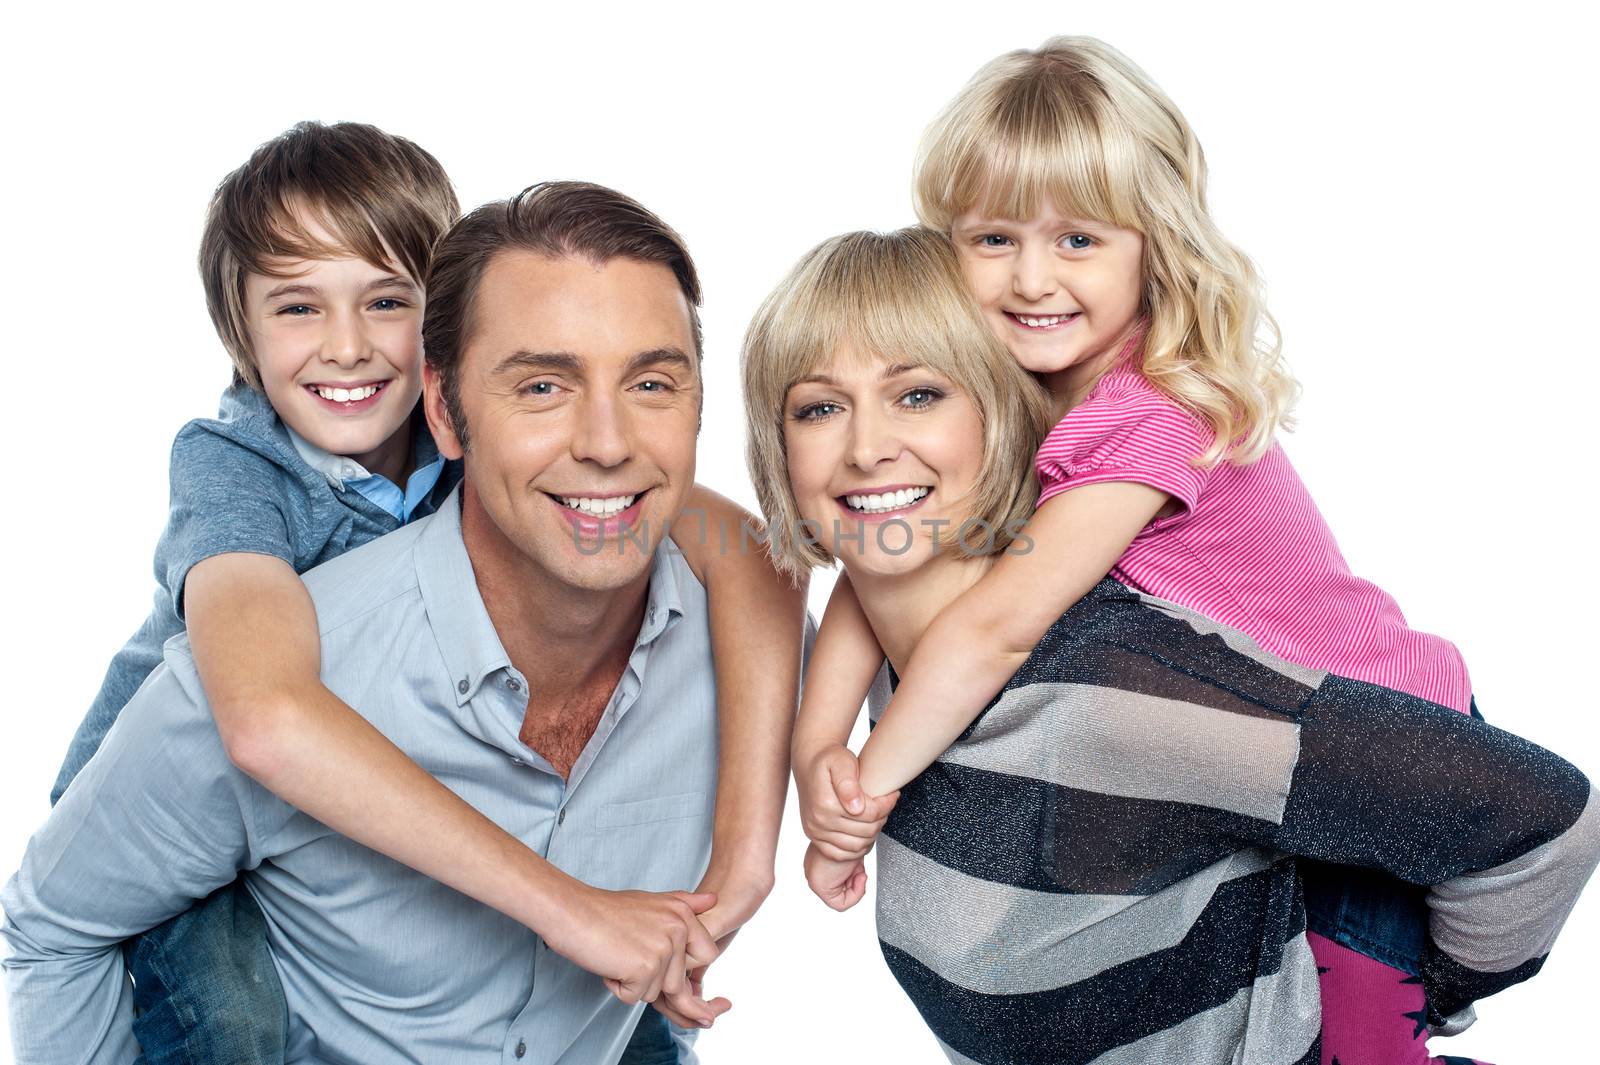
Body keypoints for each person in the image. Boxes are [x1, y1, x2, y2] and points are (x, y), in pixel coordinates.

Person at [794, 37, 1496, 1064]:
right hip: (1233, 763)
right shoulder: (994, 406)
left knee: (1353, 1043)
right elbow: (879, 555)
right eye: (992, 239)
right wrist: (819, 746)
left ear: (1151, 248)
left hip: (1365, 740)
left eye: (1077, 239)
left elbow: (995, 626)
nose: (1032, 278)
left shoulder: (1153, 413)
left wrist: (865, 793)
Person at [40, 124, 800, 1062]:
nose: (348, 348)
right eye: (297, 309)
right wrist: (569, 911)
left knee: (642, 1022)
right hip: (173, 834)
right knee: (232, 1019)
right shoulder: (237, 469)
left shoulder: (470, 463)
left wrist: (743, 855)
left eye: (387, 301)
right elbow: (264, 718)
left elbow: (750, 550)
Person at [750, 225, 1600, 1063]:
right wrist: (817, 747)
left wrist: (1429, 986)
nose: (866, 447)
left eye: (919, 394)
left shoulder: (1111, 682)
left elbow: (1549, 816)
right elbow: (874, 589)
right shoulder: (910, 649)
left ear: (1003, 412)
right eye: (819, 407)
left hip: (1395, 698)